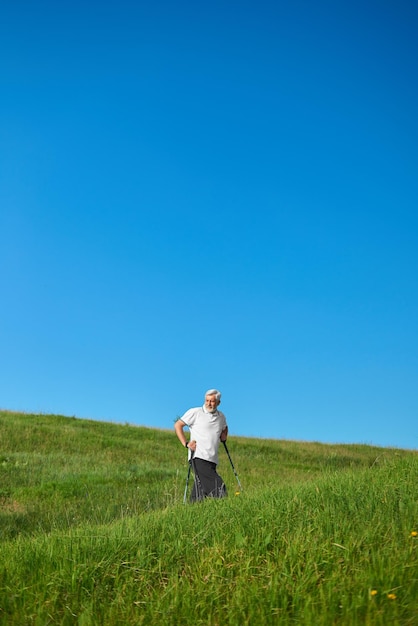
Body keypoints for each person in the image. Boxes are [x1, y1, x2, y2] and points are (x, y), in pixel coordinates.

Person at [175, 389, 228, 502]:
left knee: (199, 493)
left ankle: (191, 510)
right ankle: (225, 511)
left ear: (218, 403)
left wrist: (224, 436)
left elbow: (224, 427)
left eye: (212, 401)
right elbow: (178, 425)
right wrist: (186, 443)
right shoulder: (195, 412)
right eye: (207, 400)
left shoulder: (221, 417)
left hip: (212, 459)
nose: (209, 403)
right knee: (220, 489)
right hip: (198, 457)